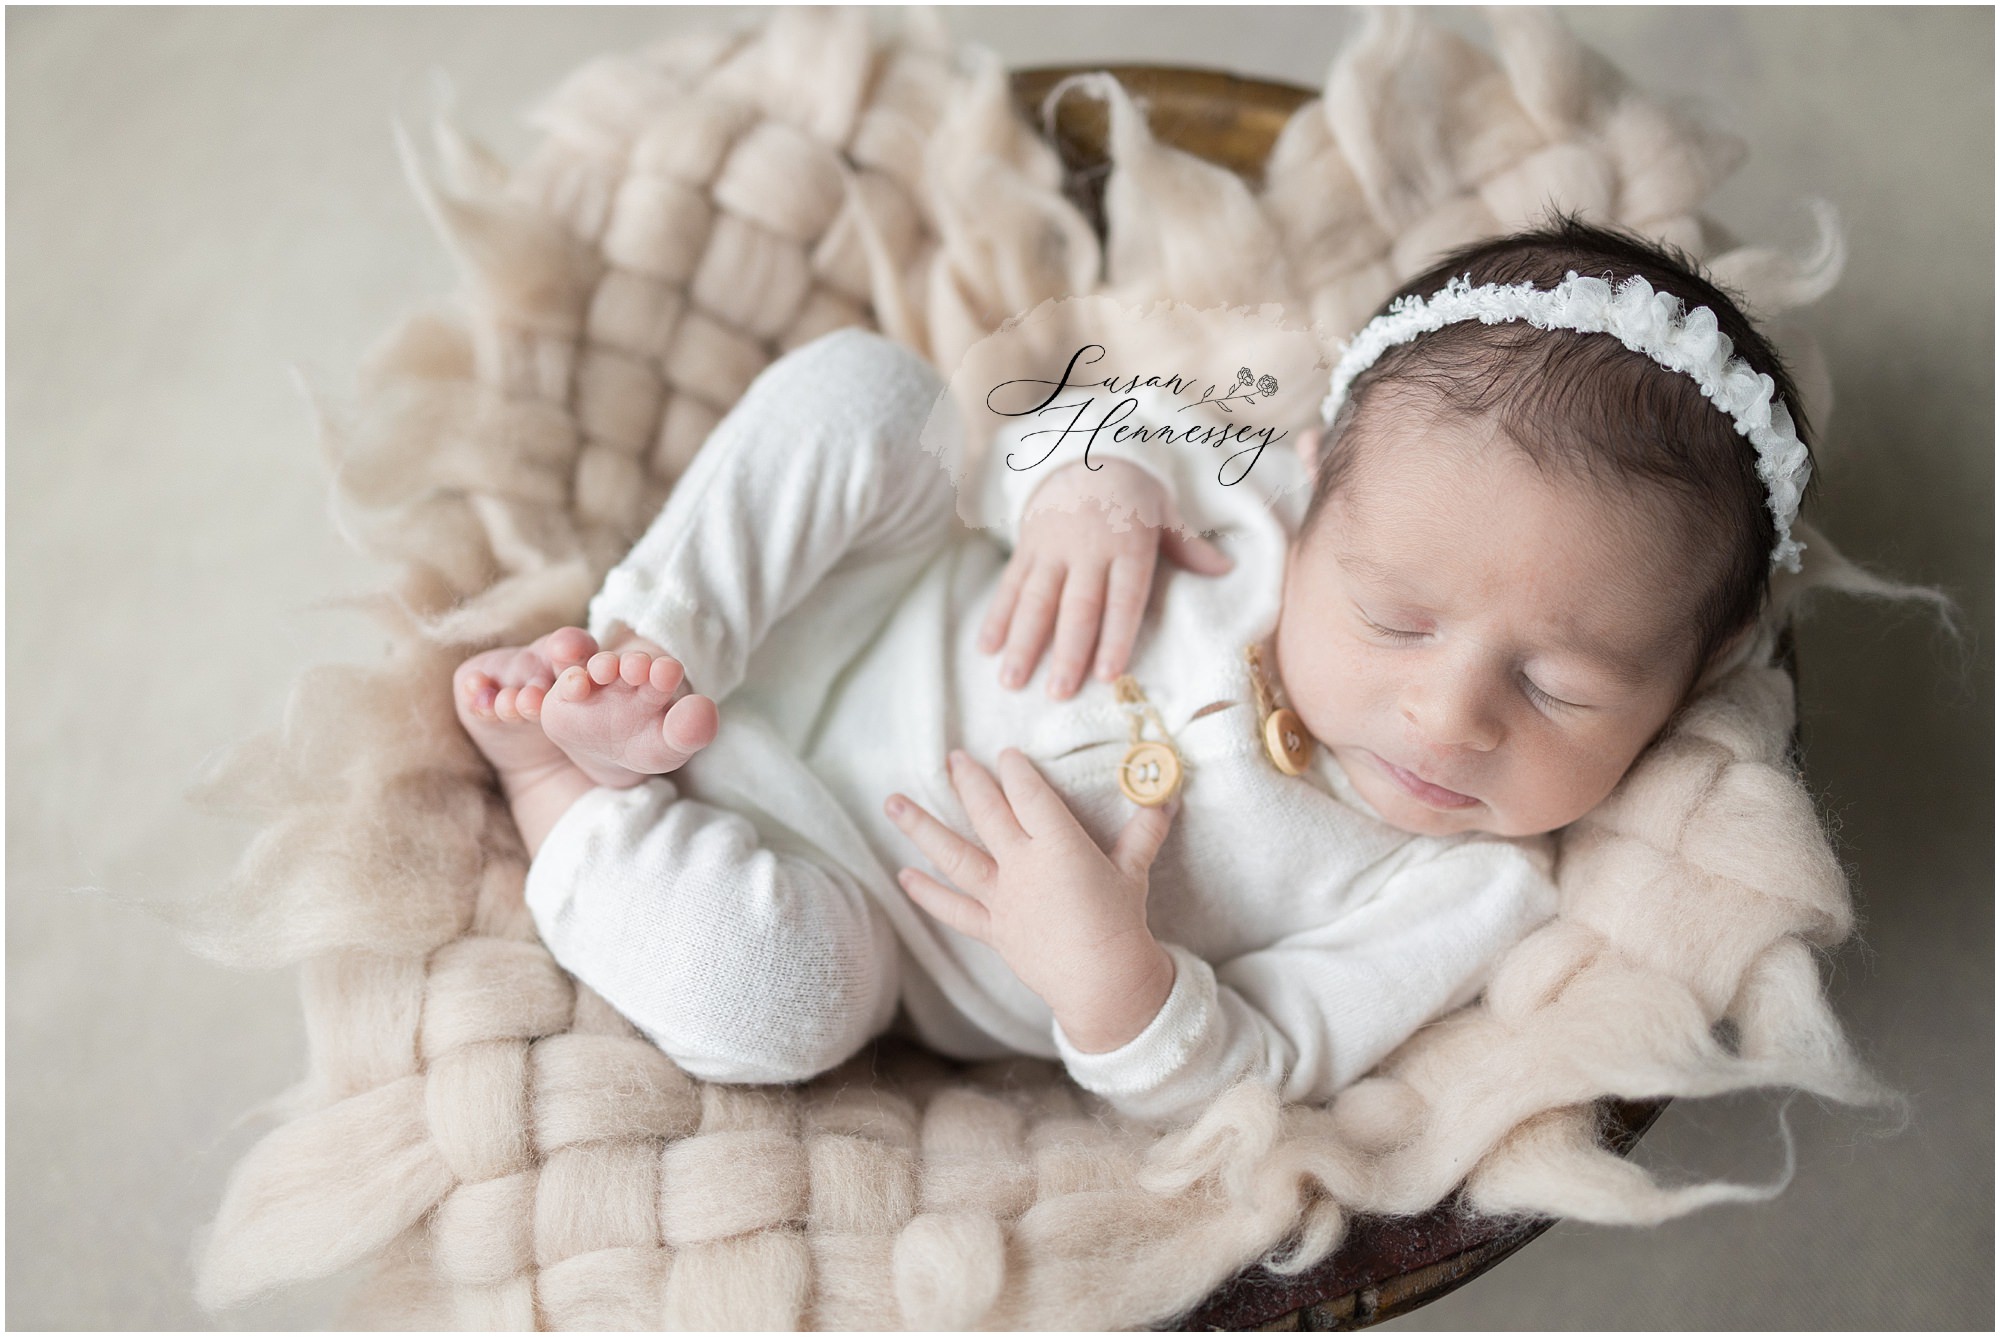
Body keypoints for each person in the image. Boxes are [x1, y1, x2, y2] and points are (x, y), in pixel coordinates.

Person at [451, 216, 1816, 1125]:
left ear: (1694, 677)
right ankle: (647, 649)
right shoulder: (1257, 504)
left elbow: (1261, 1064)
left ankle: (564, 793)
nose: (1448, 714)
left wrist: (1110, 975)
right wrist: (1087, 483)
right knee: (874, 392)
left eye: (1560, 689)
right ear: (1319, 487)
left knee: (778, 1003)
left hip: (858, 904)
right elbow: (1071, 423)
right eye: (1395, 619)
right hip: (830, 608)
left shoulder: (1471, 890)